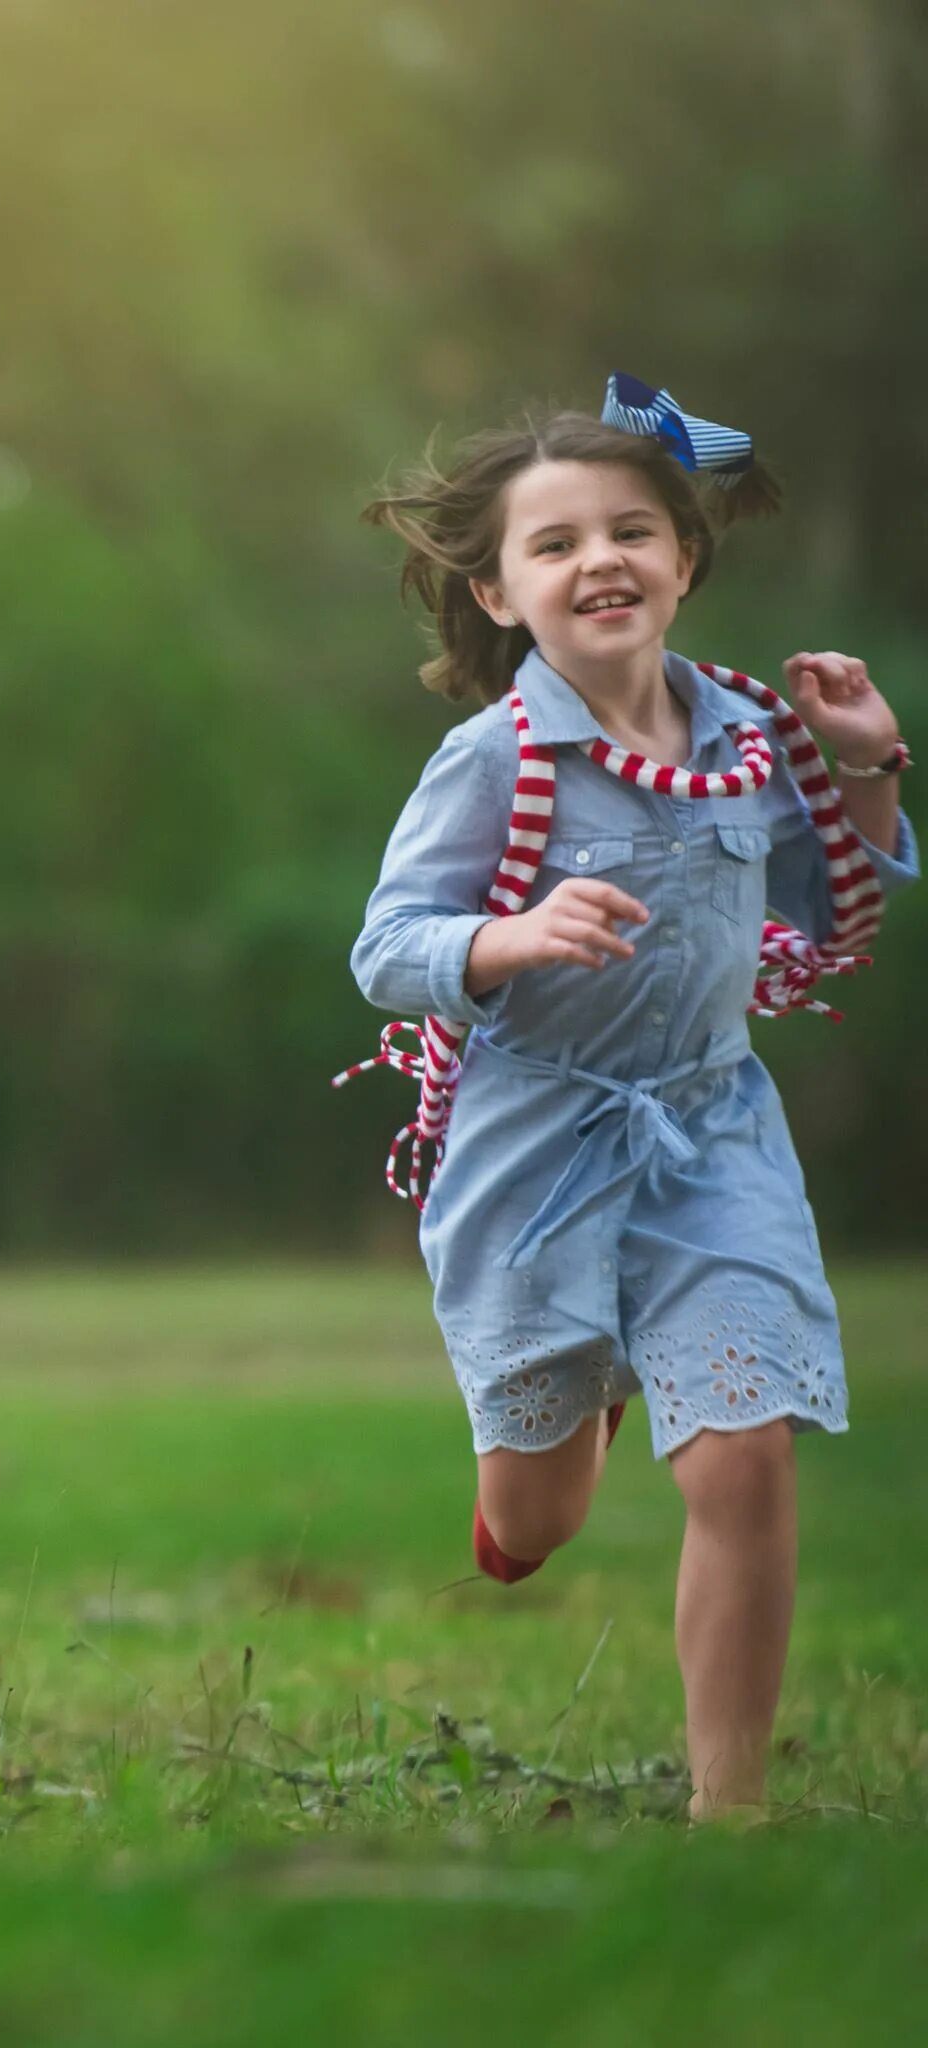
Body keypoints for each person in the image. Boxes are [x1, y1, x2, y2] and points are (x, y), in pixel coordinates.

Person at [342, 375, 916, 1815]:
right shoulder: (493, 763)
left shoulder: (748, 735)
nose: (600, 558)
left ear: (682, 559)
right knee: (532, 1516)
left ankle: (731, 1808)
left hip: (712, 1133)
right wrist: (512, 936)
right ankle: (563, 1423)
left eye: (633, 529)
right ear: (494, 593)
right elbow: (387, 948)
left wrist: (865, 770)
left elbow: (833, 907)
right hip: (535, 1146)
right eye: (555, 544)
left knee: (744, 1461)